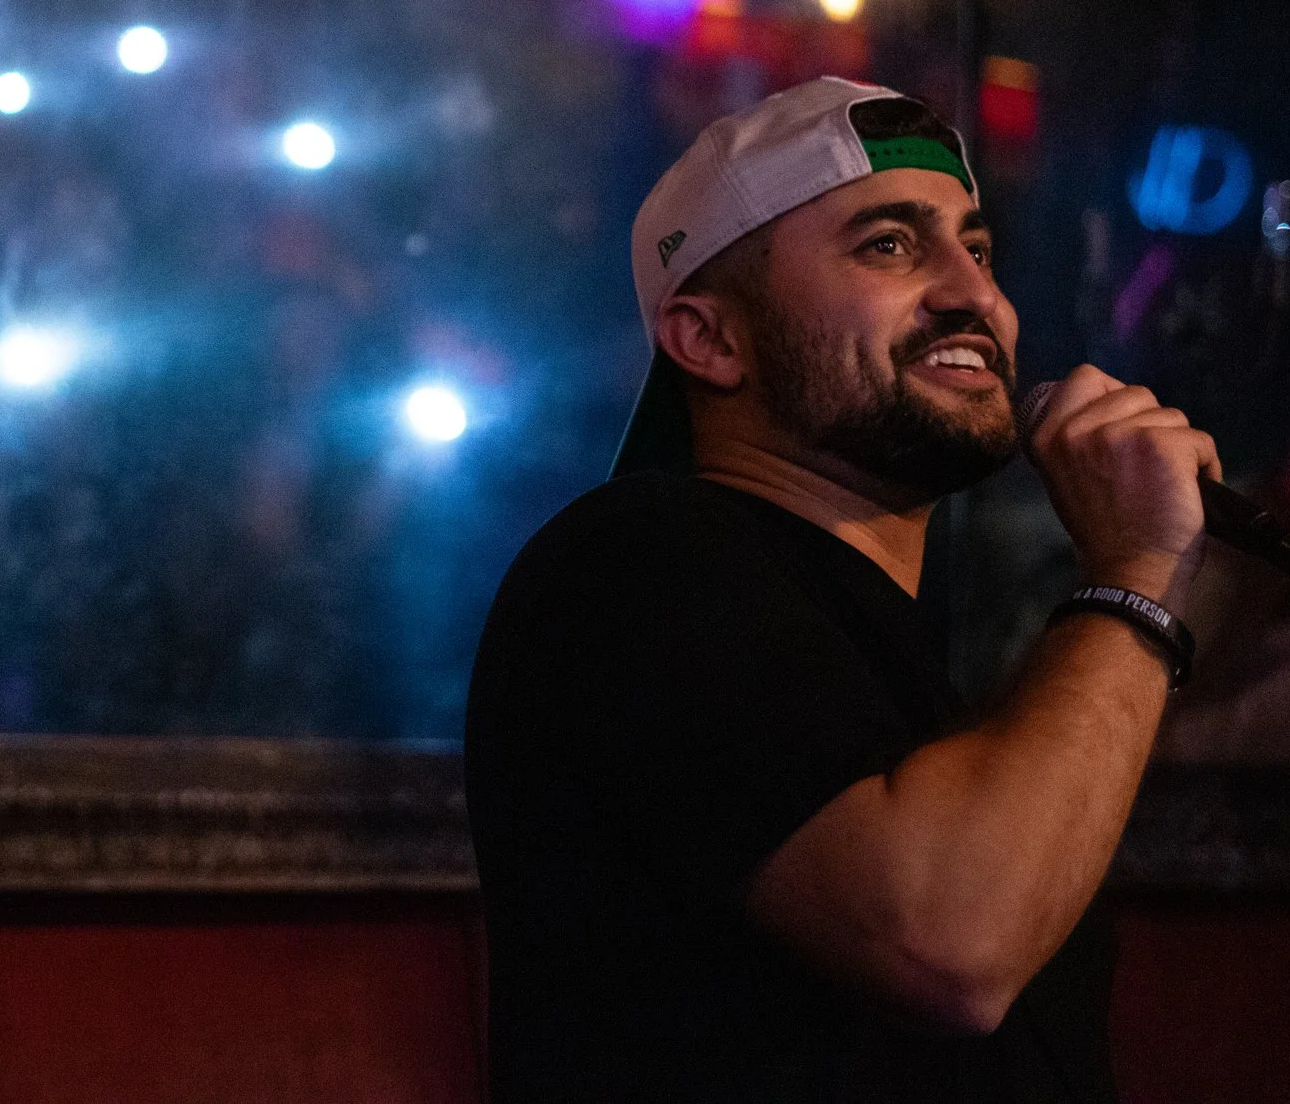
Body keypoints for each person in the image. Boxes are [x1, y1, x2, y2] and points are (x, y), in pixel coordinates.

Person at [465, 77, 1217, 1102]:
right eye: (889, 245)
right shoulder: (638, 561)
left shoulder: (881, 644)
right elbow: (948, 937)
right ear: (710, 338)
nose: (973, 293)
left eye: (978, 247)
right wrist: (1133, 575)